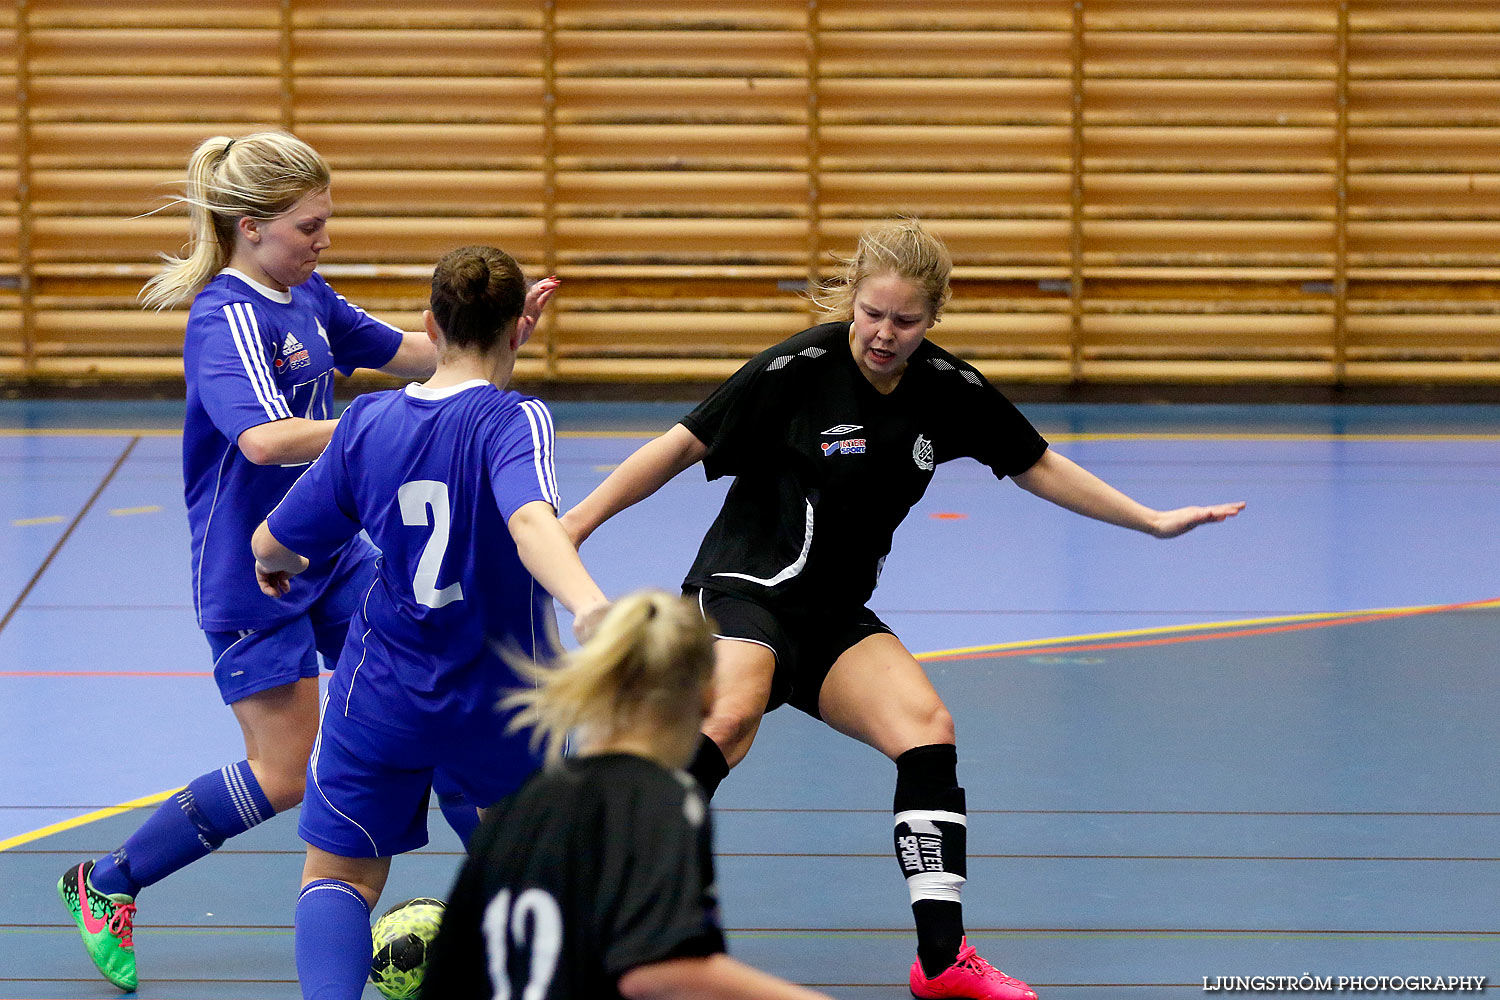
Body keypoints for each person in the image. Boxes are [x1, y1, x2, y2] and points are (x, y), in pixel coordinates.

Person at [559, 219, 1246, 1000]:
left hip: (833, 616)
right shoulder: (798, 368)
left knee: (927, 729)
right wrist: (577, 523)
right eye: (871, 313)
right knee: (729, 716)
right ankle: (609, 914)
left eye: (905, 320)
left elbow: (1038, 464)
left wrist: (1152, 520)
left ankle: (942, 959)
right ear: (852, 301)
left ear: (934, 317)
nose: (883, 334)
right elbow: (681, 444)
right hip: (746, 588)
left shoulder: (948, 390)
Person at [55, 131, 528, 991]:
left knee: (429, 697)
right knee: (285, 771)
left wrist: (487, 342)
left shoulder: (305, 292)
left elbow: (415, 357)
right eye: (310, 226)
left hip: (334, 555)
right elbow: (268, 441)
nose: (323, 241)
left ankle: (518, 895)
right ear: (250, 227)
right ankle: (107, 882)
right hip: (252, 568)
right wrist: (385, 429)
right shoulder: (226, 316)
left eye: (326, 223)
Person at [249, 243, 610, 1000]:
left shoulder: (367, 421)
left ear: (429, 324)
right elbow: (532, 523)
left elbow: (277, 540)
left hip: (384, 693)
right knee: (535, 880)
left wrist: (275, 561)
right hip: (501, 699)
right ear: (517, 330)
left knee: (339, 875)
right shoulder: (516, 419)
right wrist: (588, 603)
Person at [422, 589, 834, 1000]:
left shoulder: (516, 807)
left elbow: (450, 971)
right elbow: (657, 971)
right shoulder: (663, 799)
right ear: (707, 696)